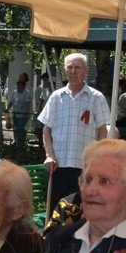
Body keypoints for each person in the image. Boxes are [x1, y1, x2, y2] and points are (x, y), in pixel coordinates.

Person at [39, 52, 110, 214]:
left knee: (81, 212)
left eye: (77, 67)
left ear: (85, 71)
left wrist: (96, 159)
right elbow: (46, 129)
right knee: (56, 212)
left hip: (84, 166)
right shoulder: (56, 97)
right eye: (69, 67)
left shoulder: (96, 98)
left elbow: (102, 131)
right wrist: (49, 155)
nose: (73, 71)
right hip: (58, 165)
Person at [8, 72, 34, 149]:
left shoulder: (27, 91)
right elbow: (11, 101)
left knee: (20, 128)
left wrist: (26, 112)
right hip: (15, 113)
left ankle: (21, 143)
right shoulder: (15, 92)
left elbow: (28, 103)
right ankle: (16, 141)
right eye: (18, 85)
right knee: (15, 127)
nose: (19, 87)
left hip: (23, 114)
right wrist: (7, 109)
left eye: (20, 85)